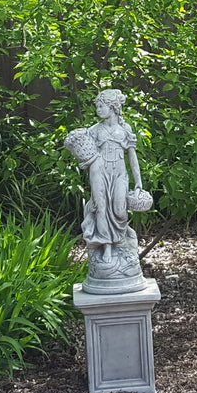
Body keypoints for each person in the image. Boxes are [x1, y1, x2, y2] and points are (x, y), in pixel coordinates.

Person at [82, 89, 143, 264]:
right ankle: (107, 245)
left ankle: (123, 237)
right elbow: (86, 155)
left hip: (119, 173)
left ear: (113, 107)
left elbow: (132, 156)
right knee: (101, 208)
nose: (98, 110)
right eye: (97, 106)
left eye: (102, 106)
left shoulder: (125, 128)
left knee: (119, 210)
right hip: (98, 171)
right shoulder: (93, 130)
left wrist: (138, 181)